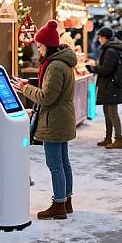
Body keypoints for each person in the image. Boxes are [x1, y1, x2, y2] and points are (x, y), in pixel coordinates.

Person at [12, 20, 77, 220]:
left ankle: (58, 205)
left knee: (55, 164)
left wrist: (25, 88)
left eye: (39, 46)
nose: (38, 50)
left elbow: (47, 97)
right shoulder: (61, 62)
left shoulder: (55, 66)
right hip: (61, 117)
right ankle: (66, 201)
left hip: (54, 120)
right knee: (64, 162)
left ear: (48, 45)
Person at [86, 27, 122, 149]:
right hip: (108, 85)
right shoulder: (109, 49)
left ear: (105, 38)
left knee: (112, 113)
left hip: (111, 86)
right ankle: (108, 138)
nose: (99, 39)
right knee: (107, 113)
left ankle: (118, 140)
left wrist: (92, 68)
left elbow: (106, 70)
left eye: (100, 37)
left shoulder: (110, 51)